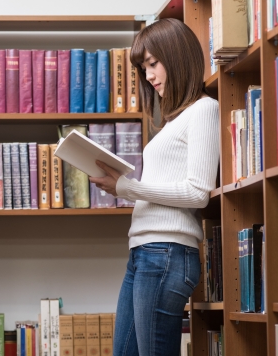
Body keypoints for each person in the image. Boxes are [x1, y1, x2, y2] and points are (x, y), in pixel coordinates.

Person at [90, 18, 220, 356]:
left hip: (167, 251)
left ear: (176, 57)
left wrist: (127, 188)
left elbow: (197, 192)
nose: (148, 75)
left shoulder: (205, 110)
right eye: (143, 67)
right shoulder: (175, 120)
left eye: (152, 63)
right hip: (143, 252)